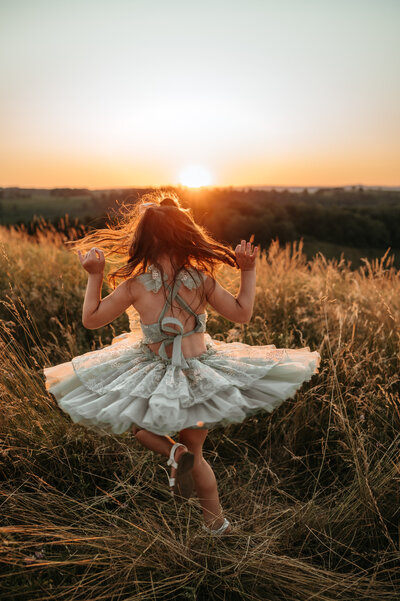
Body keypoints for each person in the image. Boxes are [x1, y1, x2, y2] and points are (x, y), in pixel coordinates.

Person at [43, 192, 321, 537]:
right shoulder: (200, 279)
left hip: (153, 369)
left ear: (144, 241)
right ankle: (216, 524)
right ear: (186, 236)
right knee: (198, 452)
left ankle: (172, 450)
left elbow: (91, 319)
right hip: (201, 373)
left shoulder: (136, 285)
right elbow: (242, 313)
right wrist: (247, 270)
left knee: (136, 422)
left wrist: (95, 275)